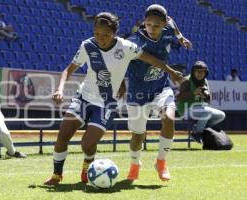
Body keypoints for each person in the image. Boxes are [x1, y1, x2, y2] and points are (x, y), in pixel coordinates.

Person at [44, 12, 183, 186]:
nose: (101, 39)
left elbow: (151, 60)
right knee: (62, 136)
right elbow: (67, 70)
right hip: (83, 98)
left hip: (106, 104)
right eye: (97, 34)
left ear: (115, 34)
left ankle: (87, 165)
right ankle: (57, 175)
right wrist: (59, 89)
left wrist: (171, 72)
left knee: (87, 145)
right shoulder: (87, 46)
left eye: (106, 35)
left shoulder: (126, 47)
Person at [125, 4, 192, 182]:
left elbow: (173, 22)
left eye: (156, 25)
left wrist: (180, 37)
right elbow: (152, 60)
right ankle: (135, 164)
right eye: (148, 24)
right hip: (137, 92)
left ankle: (161, 161)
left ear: (163, 24)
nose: (151, 29)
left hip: (160, 87)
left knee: (169, 118)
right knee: (138, 135)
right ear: (144, 22)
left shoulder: (169, 27)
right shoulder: (135, 41)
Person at [177, 61, 225, 142]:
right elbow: (179, 97)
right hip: (186, 110)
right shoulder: (186, 80)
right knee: (207, 112)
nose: (200, 73)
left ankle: (203, 129)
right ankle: (196, 133)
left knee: (221, 115)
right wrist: (193, 93)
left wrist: (206, 96)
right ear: (193, 72)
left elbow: (209, 99)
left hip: (200, 109)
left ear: (205, 73)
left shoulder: (205, 81)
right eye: (197, 71)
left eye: (202, 71)